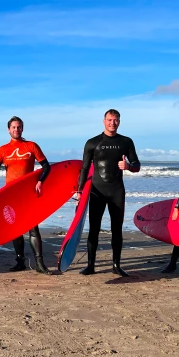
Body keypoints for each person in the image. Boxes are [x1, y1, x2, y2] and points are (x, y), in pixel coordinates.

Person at [0, 116, 52, 274]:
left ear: (22, 129)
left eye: (19, 127)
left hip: (27, 194)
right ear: (8, 130)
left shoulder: (31, 146)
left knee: (32, 227)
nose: (16, 129)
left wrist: (40, 181)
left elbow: (46, 167)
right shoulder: (3, 149)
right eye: (14, 127)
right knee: (15, 229)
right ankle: (20, 261)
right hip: (11, 195)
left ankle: (39, 263)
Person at [74, 109, 140, 277]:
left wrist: (129, 167)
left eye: (116, 120)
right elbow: (84, 168)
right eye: (110, 120)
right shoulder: (92, 142)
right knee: (94, 229)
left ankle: (116, 265)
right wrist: (79, 191)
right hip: (97, 191)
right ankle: (90, 266)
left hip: (117, 191)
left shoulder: (126, 141)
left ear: (119, 122)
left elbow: (137, 164)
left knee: (116, 229)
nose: (113, 123)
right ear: (104, 121)